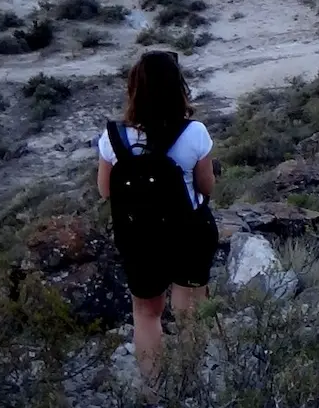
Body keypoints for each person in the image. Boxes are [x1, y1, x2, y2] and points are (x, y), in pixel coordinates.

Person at [95, 51, 217, 390]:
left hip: (140, 238)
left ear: (134, 89)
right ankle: (192, 385)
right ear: (178, 87)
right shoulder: (195, 133)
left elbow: (106, 191)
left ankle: (155, 391)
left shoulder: (114, 139)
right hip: (188, 231)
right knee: (190, 312)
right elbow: (207, 188)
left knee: (147, 314)